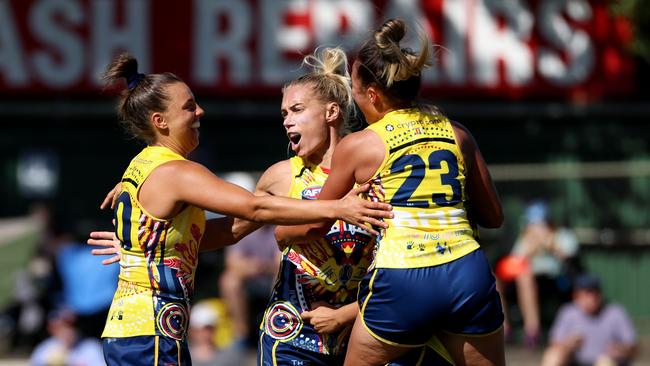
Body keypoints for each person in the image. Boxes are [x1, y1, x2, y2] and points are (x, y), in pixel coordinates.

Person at [96, 53, 392, 366]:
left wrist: (141, 248)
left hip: (139, 330)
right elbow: (255, 208)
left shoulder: (148, 166)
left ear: (332, 112)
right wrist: (338, 207)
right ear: (160, 121)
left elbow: (227, 230)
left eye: (297, 110)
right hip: (278, 335)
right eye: (188, 106)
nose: (200, 111)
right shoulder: (182, 171)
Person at [276, 18, 505, 366]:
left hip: (403, 277)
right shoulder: (458, 134)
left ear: (372, 94)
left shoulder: (361, 145)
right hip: (466, 272)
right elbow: (493, 217)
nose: (353, 96)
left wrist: (283, 228)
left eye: (353, 87)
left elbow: (314, 223)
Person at [496, 201, 581, 347]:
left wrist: (550, 244)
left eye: (541, 224)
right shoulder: (524, 240)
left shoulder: (562, 235)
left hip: (554, 280)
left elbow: (569, 256)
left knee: (525, 276)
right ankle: (504, 329)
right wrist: (530, 249)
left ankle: (532, 331)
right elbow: (515, 263)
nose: (537, 229)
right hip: (525, 281)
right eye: (533, 225)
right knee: (498, 279)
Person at [541, 274, 637, 366]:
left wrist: (621, 349)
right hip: (575, 362)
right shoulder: (568, 312)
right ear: (576, 295)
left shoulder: (615, 312)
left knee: (605, 363)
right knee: (553, 355)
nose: (593, 298)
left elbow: (634, 347)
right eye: (588, 293)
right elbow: (554, 344)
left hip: (607, 362)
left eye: (596, 292)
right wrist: (568, 344)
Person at [30, 308, 105, 366]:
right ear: (52, 330)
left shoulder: (92, 347)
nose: (67, 332)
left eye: (70, 326)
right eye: (61, 327)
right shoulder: (44, 349)